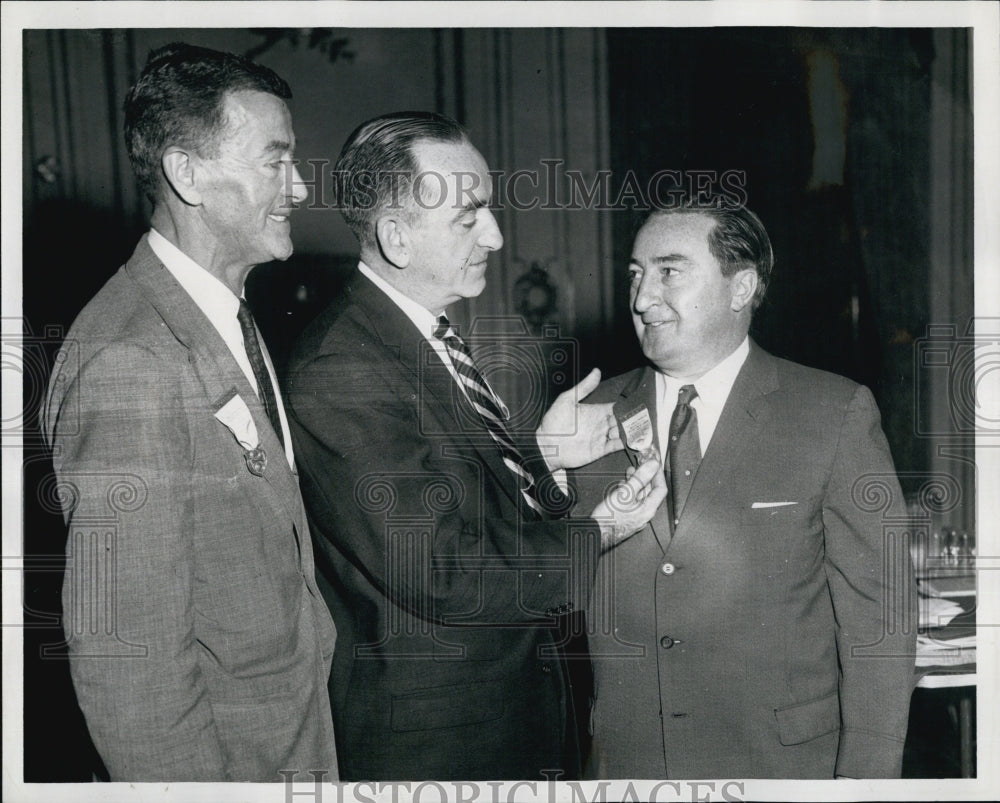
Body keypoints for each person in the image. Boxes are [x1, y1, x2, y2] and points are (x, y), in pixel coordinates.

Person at [284, 111, 665, 781]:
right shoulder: (339, 367)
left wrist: (544, 460)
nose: (494, 234)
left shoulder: (417, 340)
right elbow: (441, 568)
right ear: (397, 238)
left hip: (496, 723)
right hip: (439, 749)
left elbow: (470, 517)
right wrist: (596, 532)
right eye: (469, 216)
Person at [42, 43, 338, 782]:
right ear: (187, 173)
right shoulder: (132, 358)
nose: (299, 186)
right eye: (275, 160)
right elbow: (129, 669)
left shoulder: (222, 315)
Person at [570, 201, 917, 779]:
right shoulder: (585, 418)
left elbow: (880, 621)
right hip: (628, 770)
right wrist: (539, 460)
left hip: (783, 768)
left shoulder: (832, 413)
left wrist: (866, 785)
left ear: (742, 287)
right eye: (635, 274)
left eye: (669, 271)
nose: (642, 298)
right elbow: (530, 588)